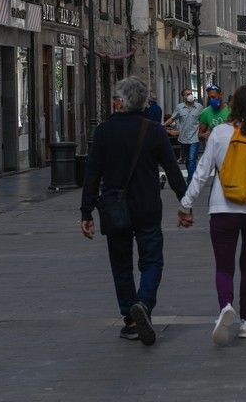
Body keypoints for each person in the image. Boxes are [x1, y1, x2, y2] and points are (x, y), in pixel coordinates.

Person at [178, 85, 246, 344]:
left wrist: (186, 204)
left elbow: (202, 172)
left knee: (224, 265)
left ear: (233, 105)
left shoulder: (218, 133)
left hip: (222, 208)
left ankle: (225, 305)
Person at [80, 77, 188, 345]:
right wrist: (184, 204)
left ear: (120, 102)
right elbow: (173, 171)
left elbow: (92, 175)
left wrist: (86, 212)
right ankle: (145, 304)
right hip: (147, 206)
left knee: (121, 264)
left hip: (114, 209)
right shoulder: (154, 131)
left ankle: (130, 319)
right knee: (152, 260)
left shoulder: (103, 132)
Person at [164, 91, 204, 184]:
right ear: (183, 97)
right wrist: (162, 125)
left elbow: (203, 120)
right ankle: (191, 176)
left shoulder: (199, 107)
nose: (190, 95)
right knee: (186, 159)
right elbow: (172, 118)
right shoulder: (179, 107)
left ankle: (191, 181)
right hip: (183, 138)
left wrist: (203, 133)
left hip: (195, 137)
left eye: (190, 93)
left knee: (192, 159)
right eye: (187, 94)